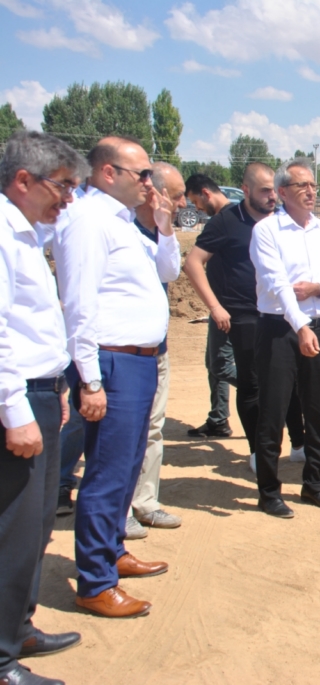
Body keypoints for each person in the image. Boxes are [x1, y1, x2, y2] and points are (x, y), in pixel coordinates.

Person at [55, 136, 175, 618]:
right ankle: (95, 581)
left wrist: (165, 228)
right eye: (141, 174)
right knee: (106, 472)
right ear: (108, 173)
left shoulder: (123, 221)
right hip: (111, 361)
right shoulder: (87, 221)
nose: (150, 183)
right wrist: (89, 380)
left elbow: (166, 272)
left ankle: (113, 551)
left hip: (141, 361)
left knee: (126, 467)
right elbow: (79, 305)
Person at [0, 131, 87, 685]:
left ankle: (19, 625)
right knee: (14, 525)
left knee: (34, 527)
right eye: (62, 186)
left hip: (40, 389)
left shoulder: (27, 234)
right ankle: (3, 659)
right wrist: (14, 410)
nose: (68, 199)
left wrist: (52, 389)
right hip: (16, 397)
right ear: (24, 180)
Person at [182, 165, 306, 471]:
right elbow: (193, 263)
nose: (271, 197)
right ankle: (255, 449)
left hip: (279, 313)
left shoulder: (282, 221)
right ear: (246, 190)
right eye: (264, 191)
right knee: (250, 384)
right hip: (244, 316)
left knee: (288, 381)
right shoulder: (226, 221)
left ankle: (299, 444)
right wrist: (215, 307)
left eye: (274, 191)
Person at [249, 157, 320, 518]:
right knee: (273, 414)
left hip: (319, 326)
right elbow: (277, 286)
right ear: (281, 192)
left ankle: (315, 485)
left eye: (314, 186)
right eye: (302, 186)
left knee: (318, 411)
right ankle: (269, 492)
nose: (311, 192)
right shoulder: (266, 232)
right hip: (279, 330)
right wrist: (301, 326)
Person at [125, 162, 186, 539]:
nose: (182, 202)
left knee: (152, 430)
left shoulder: (161, 233)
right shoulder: (121, 232)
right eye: (176, 195)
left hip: (155, 351)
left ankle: (145, 503)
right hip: (122, 354)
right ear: (155, 193)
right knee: (120, 434)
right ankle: (117, 509)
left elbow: (171, 274)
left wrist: (166, 230)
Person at [183, 175, 235, 439]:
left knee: (220, 364)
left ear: (205, 193)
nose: (198, 208)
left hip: (226, 307)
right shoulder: (235, 216)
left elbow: (192, 264)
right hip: (225, 305)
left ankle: (270, 393)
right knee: (213, 362)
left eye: (196, 201)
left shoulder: (222, 221)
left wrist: (215, 305)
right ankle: (218, 418)